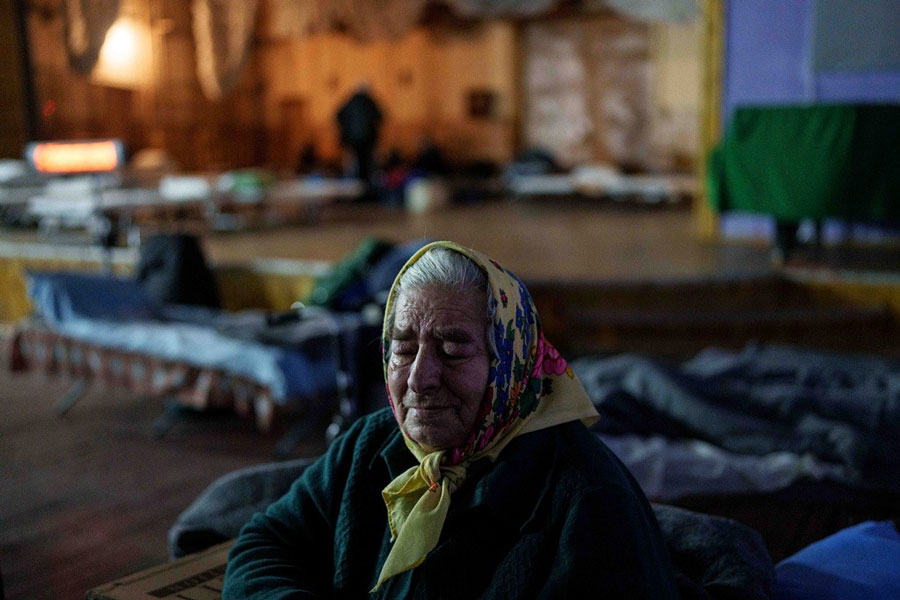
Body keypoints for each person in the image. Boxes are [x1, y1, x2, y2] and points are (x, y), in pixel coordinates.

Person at [223, 241, 679, 599]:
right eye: (403, 349)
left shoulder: (586, 503)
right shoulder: (370, 445)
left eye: (453, 349)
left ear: (509, 363)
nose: (419, 378)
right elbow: (263, 545)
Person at [336, 84, 383, 187]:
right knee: (367, 163)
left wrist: (346, 128)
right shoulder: (370, 101)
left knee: (353, 163)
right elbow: (380, 116)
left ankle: (353, 185)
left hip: (351, 139)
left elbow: (338, 115)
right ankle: (366, 186)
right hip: (368, 139)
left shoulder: (350, 101)